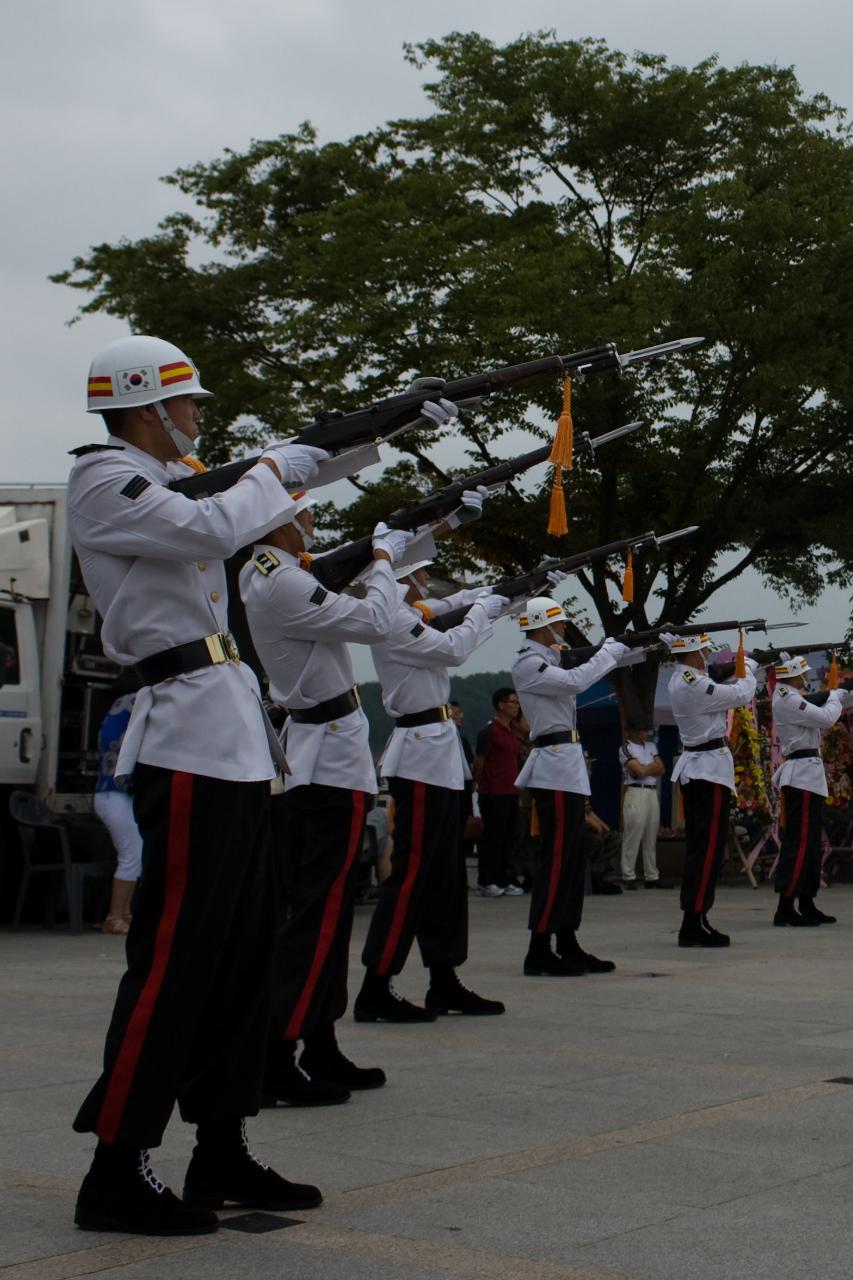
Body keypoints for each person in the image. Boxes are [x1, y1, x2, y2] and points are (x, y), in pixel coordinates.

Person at [69, 334, 330, 1236]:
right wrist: (275, 464)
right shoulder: (106, 480)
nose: (197, 419)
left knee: (239, 957)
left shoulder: (166, 483)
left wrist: (363, 439)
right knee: (175, 962)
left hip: (233, 742)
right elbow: (216, 524)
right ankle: (116, 1164)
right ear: (149, 407)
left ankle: (220, 1144)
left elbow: (241, 507)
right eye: (189, 405)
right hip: (182, 741)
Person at [238, 487, 418, 1105]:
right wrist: (388, 560)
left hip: (323, 755)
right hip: (327, 764)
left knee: (330, 916)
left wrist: (420, 531)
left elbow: (339, 576)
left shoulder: (274, 573)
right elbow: (373, 621)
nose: (312, 520)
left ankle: (317, 1041)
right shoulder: (281, 582)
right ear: (280, 521)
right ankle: (277, 1053)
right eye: (303, 511)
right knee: (315, 918)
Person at [354, 558, 508, 1021]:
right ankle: (376, 984)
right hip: (419, 754)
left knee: (446, 875)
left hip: (439, 756)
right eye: (418, 574)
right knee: (413, 874)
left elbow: (453, 606)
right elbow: (454, 648)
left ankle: (444, 978)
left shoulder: (412, 612)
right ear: (399, 580)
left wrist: (509, 594)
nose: (425, 581)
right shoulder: (395, 619)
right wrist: (485, 607)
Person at [512, 597, 634, 976]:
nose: (564, 629)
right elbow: (577, 681)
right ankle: (539, 948)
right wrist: (609, 650)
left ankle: (566, 941)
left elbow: (594, 666)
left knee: (572, 860)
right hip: (553, 769)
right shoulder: (529, 662)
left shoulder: (551, 658)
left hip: (565, 766)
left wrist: (639, 646)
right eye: (559, 624)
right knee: (558, 861)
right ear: (543, 626)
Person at [666, 633, 757, 947]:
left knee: (704, 849)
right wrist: (750, 668)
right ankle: (693, 922)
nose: (707, 654)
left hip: (705, 769)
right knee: (706, 851)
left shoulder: (688, 677)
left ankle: (697, 917)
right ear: (693, 652)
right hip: (707, 771)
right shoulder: (691, 681)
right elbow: (738, 695)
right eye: (703, 649)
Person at [771, 654, 850, 926]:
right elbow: (827, 718)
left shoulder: (792, 695)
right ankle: (785, 906)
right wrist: (836, 696)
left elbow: (828, 706)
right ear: (793, 675)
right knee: (800, 844)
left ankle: (806, 901)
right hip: (801, 775)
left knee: (812, 845)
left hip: (809, 775)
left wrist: (842, 693)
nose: (806, 677)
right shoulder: (787, 697)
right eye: (802, 673)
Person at [93, 676, 142, 935]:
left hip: (110, 792)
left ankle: (124, 913)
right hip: (115, 793)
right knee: (132, 854)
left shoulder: (118, 707)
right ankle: (115, 916)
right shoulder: (136, 702)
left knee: (134, 854)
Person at [472, 688, 525, 897]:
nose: (517, 706)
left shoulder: (512, 732)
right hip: (493, 792)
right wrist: (480, 784)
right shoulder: (489, 731)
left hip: (510, 791)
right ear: (501, 705)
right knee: (492, 838)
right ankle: (486, 881)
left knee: (506, 838)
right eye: (513, 702)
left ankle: (502, 878)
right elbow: (479, 761)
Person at [619, 723, 666, 889]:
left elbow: (661, 769)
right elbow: (638, 771)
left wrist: (644, 769)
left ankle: (651, 875)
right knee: (633, 832)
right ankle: (628, 874)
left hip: (651, 791)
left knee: (650, 833)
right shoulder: (626, 748)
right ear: (634, 731)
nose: (647, 732)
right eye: (643, 729)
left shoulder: (651, 745)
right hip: (635, 791)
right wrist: (648, 768)